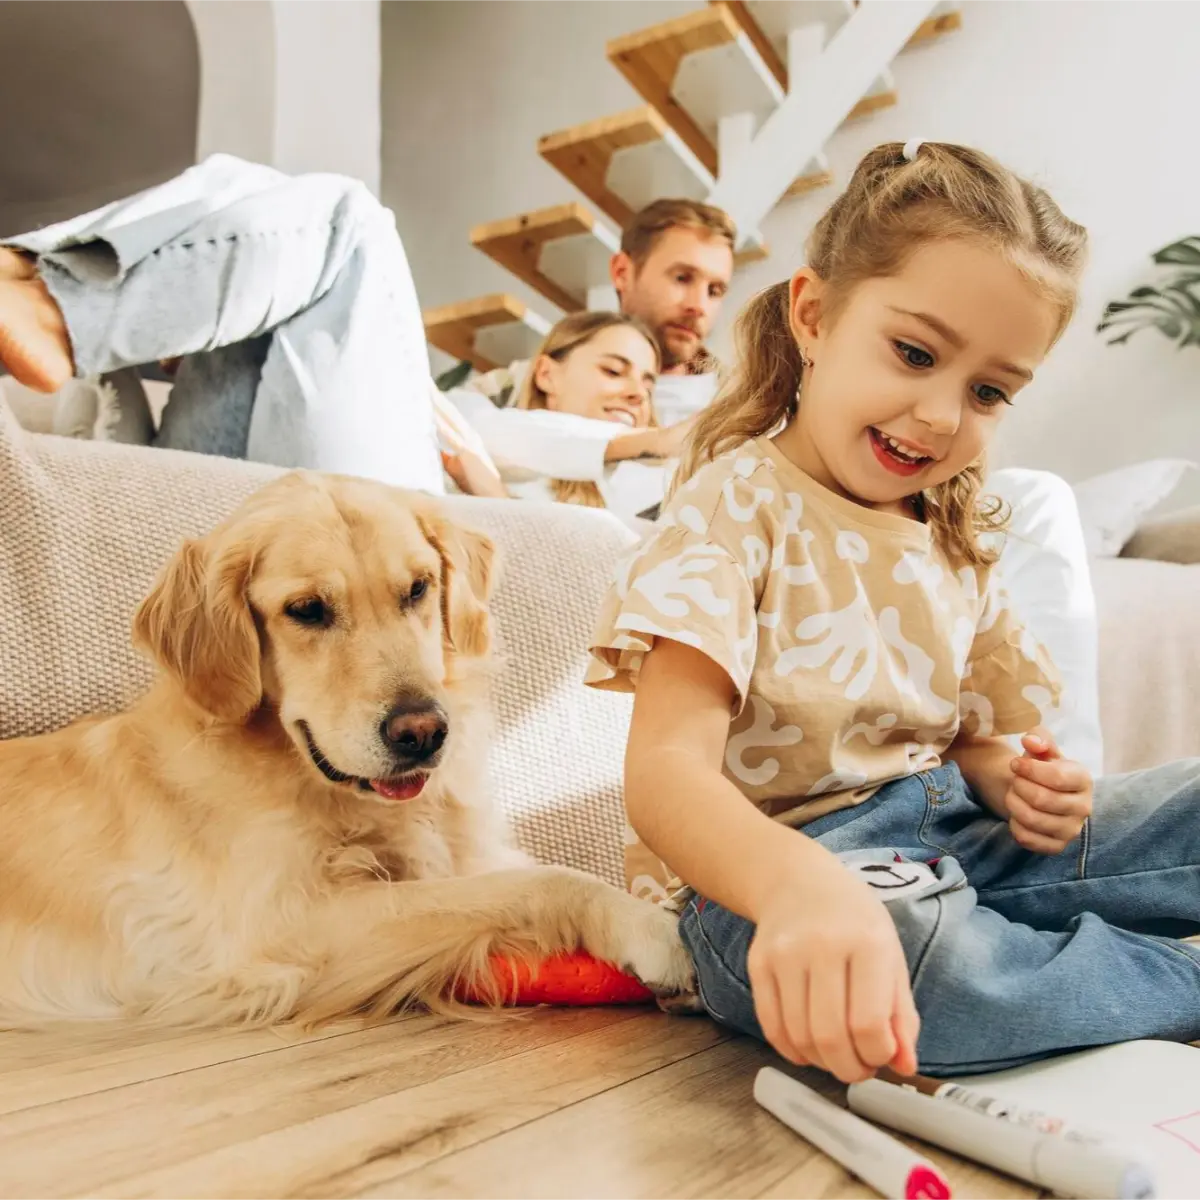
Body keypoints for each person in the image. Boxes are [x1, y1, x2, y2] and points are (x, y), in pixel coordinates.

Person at [584, 141, 1200, 1084]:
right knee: (911, 966)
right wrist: (796, 890)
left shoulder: (956, 537)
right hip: (765, 885)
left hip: (950, 839)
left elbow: (978, 743)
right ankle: (1150, 980)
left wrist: (1016, 784)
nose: (945, 415)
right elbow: (666, 773)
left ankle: (1044, 952)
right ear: (814, 315)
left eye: (989, 391)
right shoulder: (733, 505)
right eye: (914, 353)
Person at [0, 154, 443, 493]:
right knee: (244, 181)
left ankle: (48, 298)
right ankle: (31, 281)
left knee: (353, 224)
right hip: (224, 506)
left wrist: (483, 479)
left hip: (380, 521)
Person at [454, 197, 736, 429]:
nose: (698, 306)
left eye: (715, 291)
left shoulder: (743, 406)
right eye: (682, 278)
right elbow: (440, 419)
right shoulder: (542, 377)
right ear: (622, 272)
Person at [439, 311, 687, 524]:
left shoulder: (640, 501)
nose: (638, 394)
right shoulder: (472, 422)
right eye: (613, 371)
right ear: (546, 374)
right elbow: (468, 429)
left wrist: (496, 498)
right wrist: (652, 442)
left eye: (648, 388)